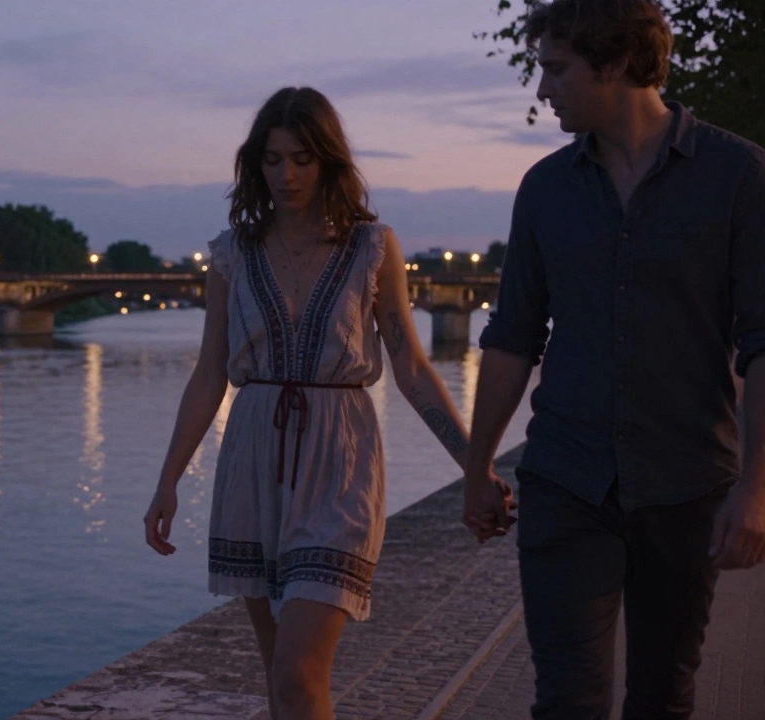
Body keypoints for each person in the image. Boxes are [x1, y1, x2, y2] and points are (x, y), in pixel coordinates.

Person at [142, 86, 503, 720]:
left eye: (303, 158)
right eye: (273, 159)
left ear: (329, 161)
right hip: (252, 461)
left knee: (300, 670)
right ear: (256, 164)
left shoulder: (371, 246)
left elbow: (412, 368)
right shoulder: (232, 255)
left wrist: (474, 466)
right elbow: (208, 375)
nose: (286, 175)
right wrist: (168, 481)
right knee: (282, 681)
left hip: (340, 462)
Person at [461, 1, 765, 718]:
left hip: (687, 485)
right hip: (567, 479)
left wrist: (755, 489)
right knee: (567, 700)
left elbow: (763, 342)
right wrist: (477, 469)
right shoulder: (545, 189)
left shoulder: (740, 178)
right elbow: (512, 337)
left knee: (663, 697)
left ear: (619, 62)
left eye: (556, 70)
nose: (542, 91)